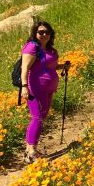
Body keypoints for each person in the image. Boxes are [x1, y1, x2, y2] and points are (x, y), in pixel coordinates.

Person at [19, 21, 61, 163]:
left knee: (41, 118)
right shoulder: (32, 47)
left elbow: (51, 67)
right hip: (35, 88)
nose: (44, 35)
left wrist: (64, 66)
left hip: (48, 88)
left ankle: (28, 150)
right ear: (35, 34)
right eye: (40, 32)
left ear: (51, 34)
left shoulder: (50, 50)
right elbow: (24, 68)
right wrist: (24, 86)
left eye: (46, 32)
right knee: (37, 117)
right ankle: (31, 151)